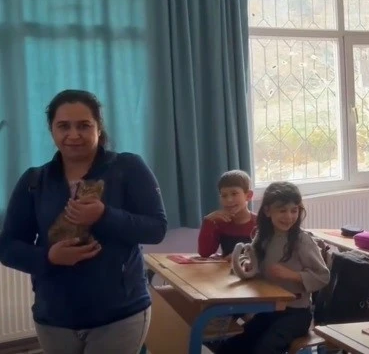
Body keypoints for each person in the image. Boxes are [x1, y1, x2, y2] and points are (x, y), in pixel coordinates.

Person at [0, 89, 167, 354]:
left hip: (119, 314)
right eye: (63, 126)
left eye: (84, 125)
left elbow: (156, 229)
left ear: (99, 128)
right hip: (54, 316)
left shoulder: (127, 168)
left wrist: (104, 215)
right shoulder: (34, 181)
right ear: (52, 130)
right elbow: (8, 247)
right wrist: (49, 257)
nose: (74, 135)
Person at [217, 182, 329, 354]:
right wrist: (246, 264)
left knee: (264, 349)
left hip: (296, 314)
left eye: (294, 210)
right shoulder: (263, 235)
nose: (289, 216)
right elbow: (251, 257)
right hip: (269, 309)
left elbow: (323, 276)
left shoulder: (302, 240)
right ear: (268, 211)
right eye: (282, 210)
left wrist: (292, 275)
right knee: (231, 347)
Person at [198, 170, 257, 258]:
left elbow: (267, 254)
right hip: (226, 267)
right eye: (224, 195)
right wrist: (207, 221)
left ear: (248, 195)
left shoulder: (260, 223)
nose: (229, 200)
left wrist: (239, 257)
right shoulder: (220, 223)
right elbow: (205, 253)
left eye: (234, 194)